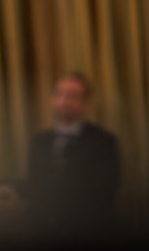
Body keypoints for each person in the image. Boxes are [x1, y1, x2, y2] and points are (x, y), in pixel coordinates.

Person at [26, 72, 121, 228]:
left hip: (89, 228)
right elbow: (34, 185)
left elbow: (104, 191)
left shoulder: (103, 142)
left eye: (72, 96)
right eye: (59, 94)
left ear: (86, 103)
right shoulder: (39, 141)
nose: (64, 101)